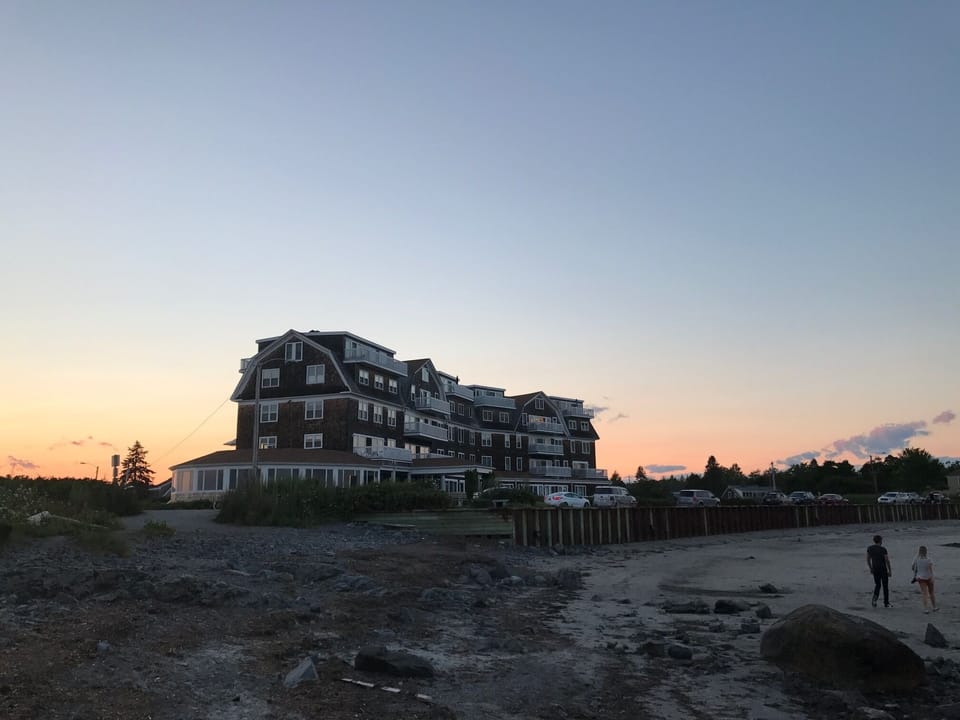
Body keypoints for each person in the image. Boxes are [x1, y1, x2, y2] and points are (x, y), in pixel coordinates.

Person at [867, 534, 892, 608]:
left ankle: (874, 600)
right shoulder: (883, 549)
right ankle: (886, 603)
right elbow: (887, 560)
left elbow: (868, 559)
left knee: (877, 585)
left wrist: (871, 568)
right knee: (885, 586)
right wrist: (890, 570)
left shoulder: (870, 548)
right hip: (883, 569)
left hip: (875, 569)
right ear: (880, 541)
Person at [911, 545, 938, 613]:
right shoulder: (929, 559)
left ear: (919, 551)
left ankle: (926, 609)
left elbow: (913, 568)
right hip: (928, 577)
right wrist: (932, 577)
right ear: (926, 551)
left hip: (920, 578)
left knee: (924, 593)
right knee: (931, 592)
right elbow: (930, 569)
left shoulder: (916, 559)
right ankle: (934, 607)